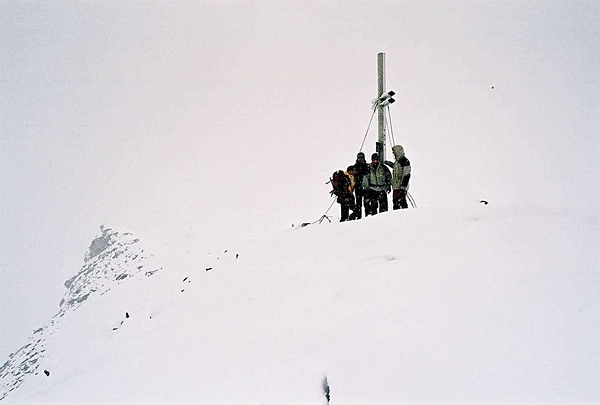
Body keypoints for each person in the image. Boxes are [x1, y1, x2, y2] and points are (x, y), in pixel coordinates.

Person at [384, 145, 411, 209]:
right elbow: (396, 167)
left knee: (402, 202)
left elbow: (406, 175)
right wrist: (389, 163)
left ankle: (405, 216)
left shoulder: (405, 161)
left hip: (401, 187)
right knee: (396, 203)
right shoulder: (398, 161)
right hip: (396, 187)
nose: (393, 154)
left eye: (394, 152)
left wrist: (403, 187)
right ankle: (397, 216)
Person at [352, 152, 370, 220]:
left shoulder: (367, 166)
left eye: (361, 158)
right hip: (358, 188)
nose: (360, 159)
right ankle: (358, 217)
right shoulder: (355, 167)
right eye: (359, 158)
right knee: (358, 204)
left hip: (366, 188)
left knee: (367, 203)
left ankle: (367, 216)